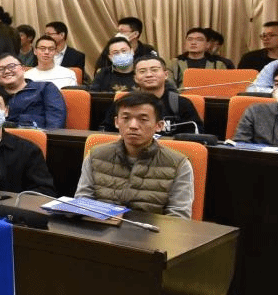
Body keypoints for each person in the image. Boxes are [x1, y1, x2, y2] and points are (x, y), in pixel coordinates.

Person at [75, 91, 194, 219]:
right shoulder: (96, 155)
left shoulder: (178, 164)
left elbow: (178, 217)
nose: (133, 126)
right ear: (116, 122)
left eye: (143, 119)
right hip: (100, 228)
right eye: (126, 118)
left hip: (151, 230)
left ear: (159, 126)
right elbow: (83, 202)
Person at [98, 55, 203, 134]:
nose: (149, 75)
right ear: (135, 78)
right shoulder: (123, 103)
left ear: (166, 74)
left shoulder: (181, 104)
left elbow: (194, 136)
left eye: (154, 70)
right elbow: (106, 133)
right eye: (142, 71)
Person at [0, 53, 66, 129]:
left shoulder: (45, 88)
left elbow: (55, 123)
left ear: (23, 68)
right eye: (0, 69)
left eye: (11, 66)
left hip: (36, 134)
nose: (7, 71)